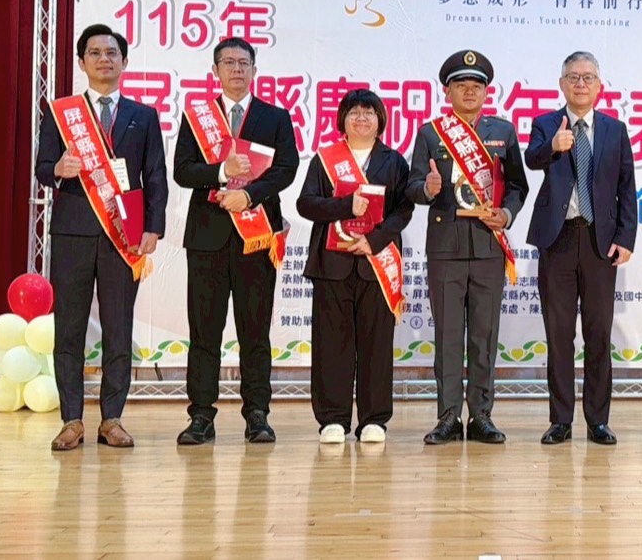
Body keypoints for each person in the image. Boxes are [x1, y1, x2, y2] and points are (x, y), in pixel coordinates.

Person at [35, 23, 167, 451]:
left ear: (124, 62)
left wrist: (153, 227)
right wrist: (58, 169)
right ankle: (71, 420)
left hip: (123, 235)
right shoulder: (62, 113)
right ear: (81, 62)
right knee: (69, 328)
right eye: (95, 53)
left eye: (112, 53)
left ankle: (112, 419)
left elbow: (155, 175)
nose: (104, 59)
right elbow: (42, 167)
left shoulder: (143, 116)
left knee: (118, 326)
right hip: (73, 232)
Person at [174, 36, 298, 445]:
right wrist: (221, 172)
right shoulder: (198, 117)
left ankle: (257, 414)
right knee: (204, 332)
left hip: (256, 236)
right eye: (228, 62)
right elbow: (182, 171)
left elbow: (286, 169)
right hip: (207, 237)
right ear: (215, 70)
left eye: (244, 63)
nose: (236, 69)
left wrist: (250, 195)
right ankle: (201, 415)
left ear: (254, 70)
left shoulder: (274, 117)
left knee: (255, 331)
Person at [406, 49, 529, 445]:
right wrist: (427, 188)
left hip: (489, 244)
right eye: (461, 85)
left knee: (483, 334)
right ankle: (447, 416)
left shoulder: (503, 131)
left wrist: (506, 214)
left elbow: (518, 186)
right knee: (447, 335)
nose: (470, 91)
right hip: (446, 245)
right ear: (448, 91)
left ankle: (481, 416)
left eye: (477, 85)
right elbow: (412, 186)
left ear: (487, 91)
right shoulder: (431, 133)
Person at [525, 51, 637, 446]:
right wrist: (553, 146)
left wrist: (626, 238)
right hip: (557, 239)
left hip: (599, 242)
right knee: (558, 334)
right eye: (573, 76)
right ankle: (560, 420)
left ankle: (597, 420)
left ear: (599, 86)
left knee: (598, 332)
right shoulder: (545, 124)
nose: (580, 83)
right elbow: (531, 159)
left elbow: (626, 187)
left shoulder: (614, 130)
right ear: (562, 84)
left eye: (588, 77)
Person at [296, 89, 413, 444]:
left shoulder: (394, 161)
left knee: (377, 343)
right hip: (332, 264)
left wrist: (374, 240)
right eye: (354, 112)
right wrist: (347, 205)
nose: (361, 118)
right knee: (332, 343)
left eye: (368, 112)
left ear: (380, 120)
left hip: (377, 263)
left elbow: (403, 211)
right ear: (342, 119)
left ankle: (374, 419)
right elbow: (306, 204)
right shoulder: (324, 159)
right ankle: (332, 419)